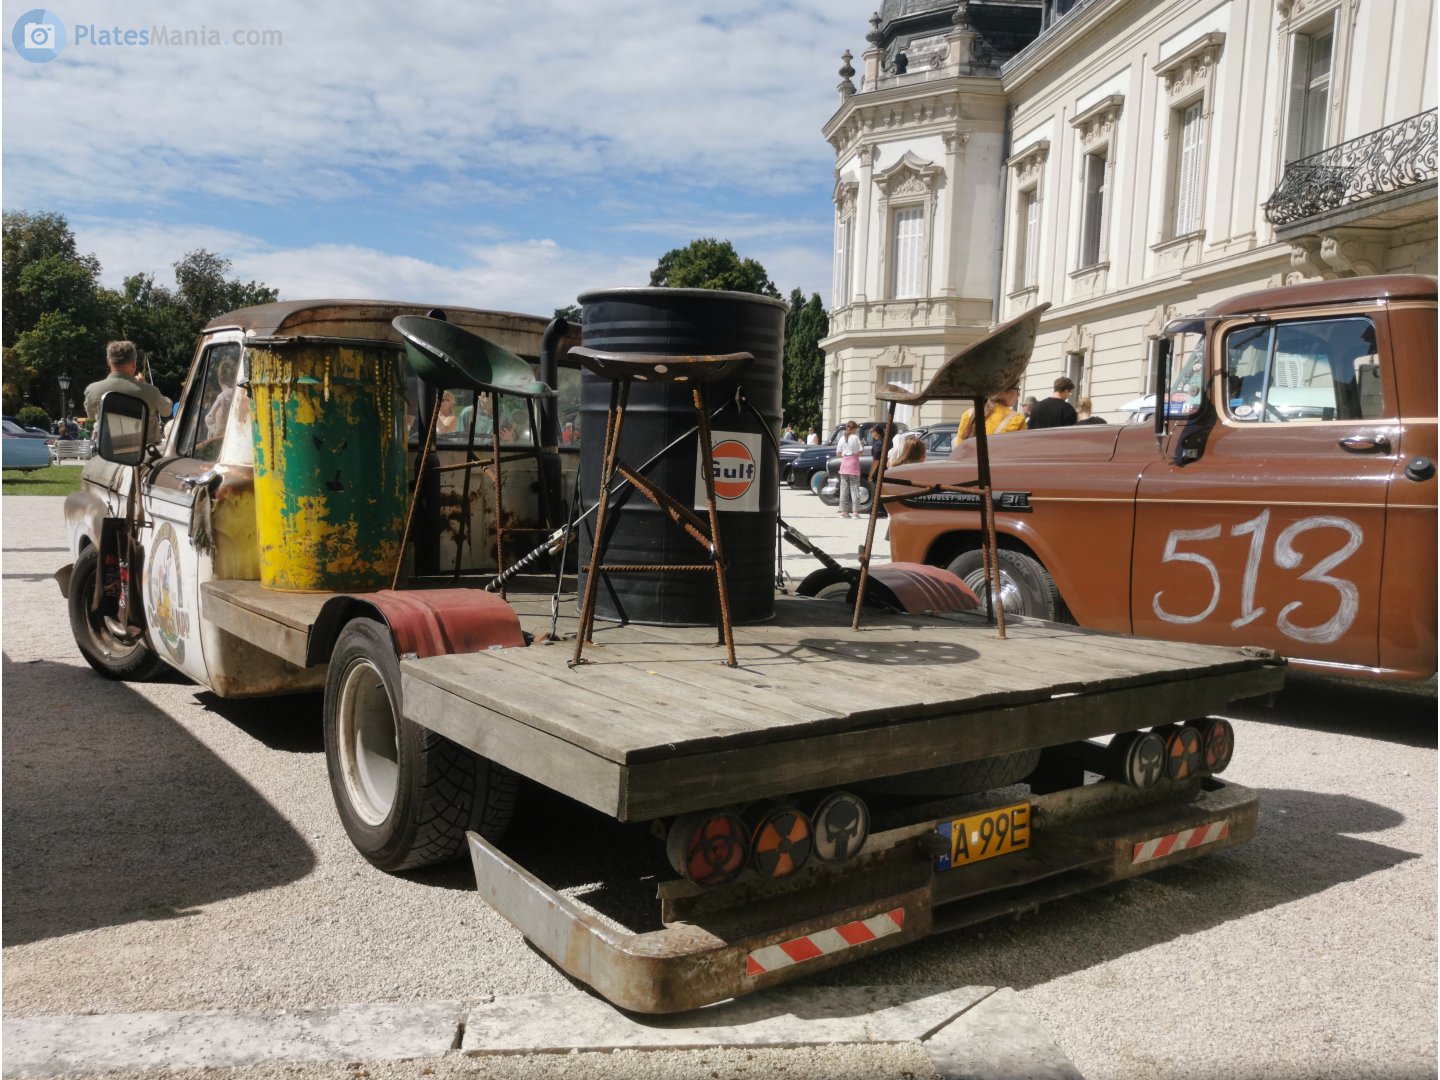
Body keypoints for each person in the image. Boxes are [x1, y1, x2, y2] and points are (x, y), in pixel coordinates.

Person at [84, 340, 171, 442]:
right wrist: (145, 385)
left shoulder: (92, 390)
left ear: (108, 362)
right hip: (146, 453)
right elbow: (166, 412)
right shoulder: (150, 391)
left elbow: (91, 416)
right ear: (134, 364)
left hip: (110, 453)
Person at [957, 385, 1027, 441]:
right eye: (1017, 390)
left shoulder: (968, 413)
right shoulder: (1016, 419)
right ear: (1004, 391)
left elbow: (959, 447)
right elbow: (1020, 451)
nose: (1019, 395)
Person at [835, 420, 864, 519]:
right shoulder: (855, 437)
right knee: (854, 488)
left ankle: (843, 512)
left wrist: (845, 453)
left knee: (844, 489)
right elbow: (860, 452)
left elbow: (838, 454)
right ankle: (855, 512)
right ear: (854, 428)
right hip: (853, 464)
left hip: (844, 464)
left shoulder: (842, 438)